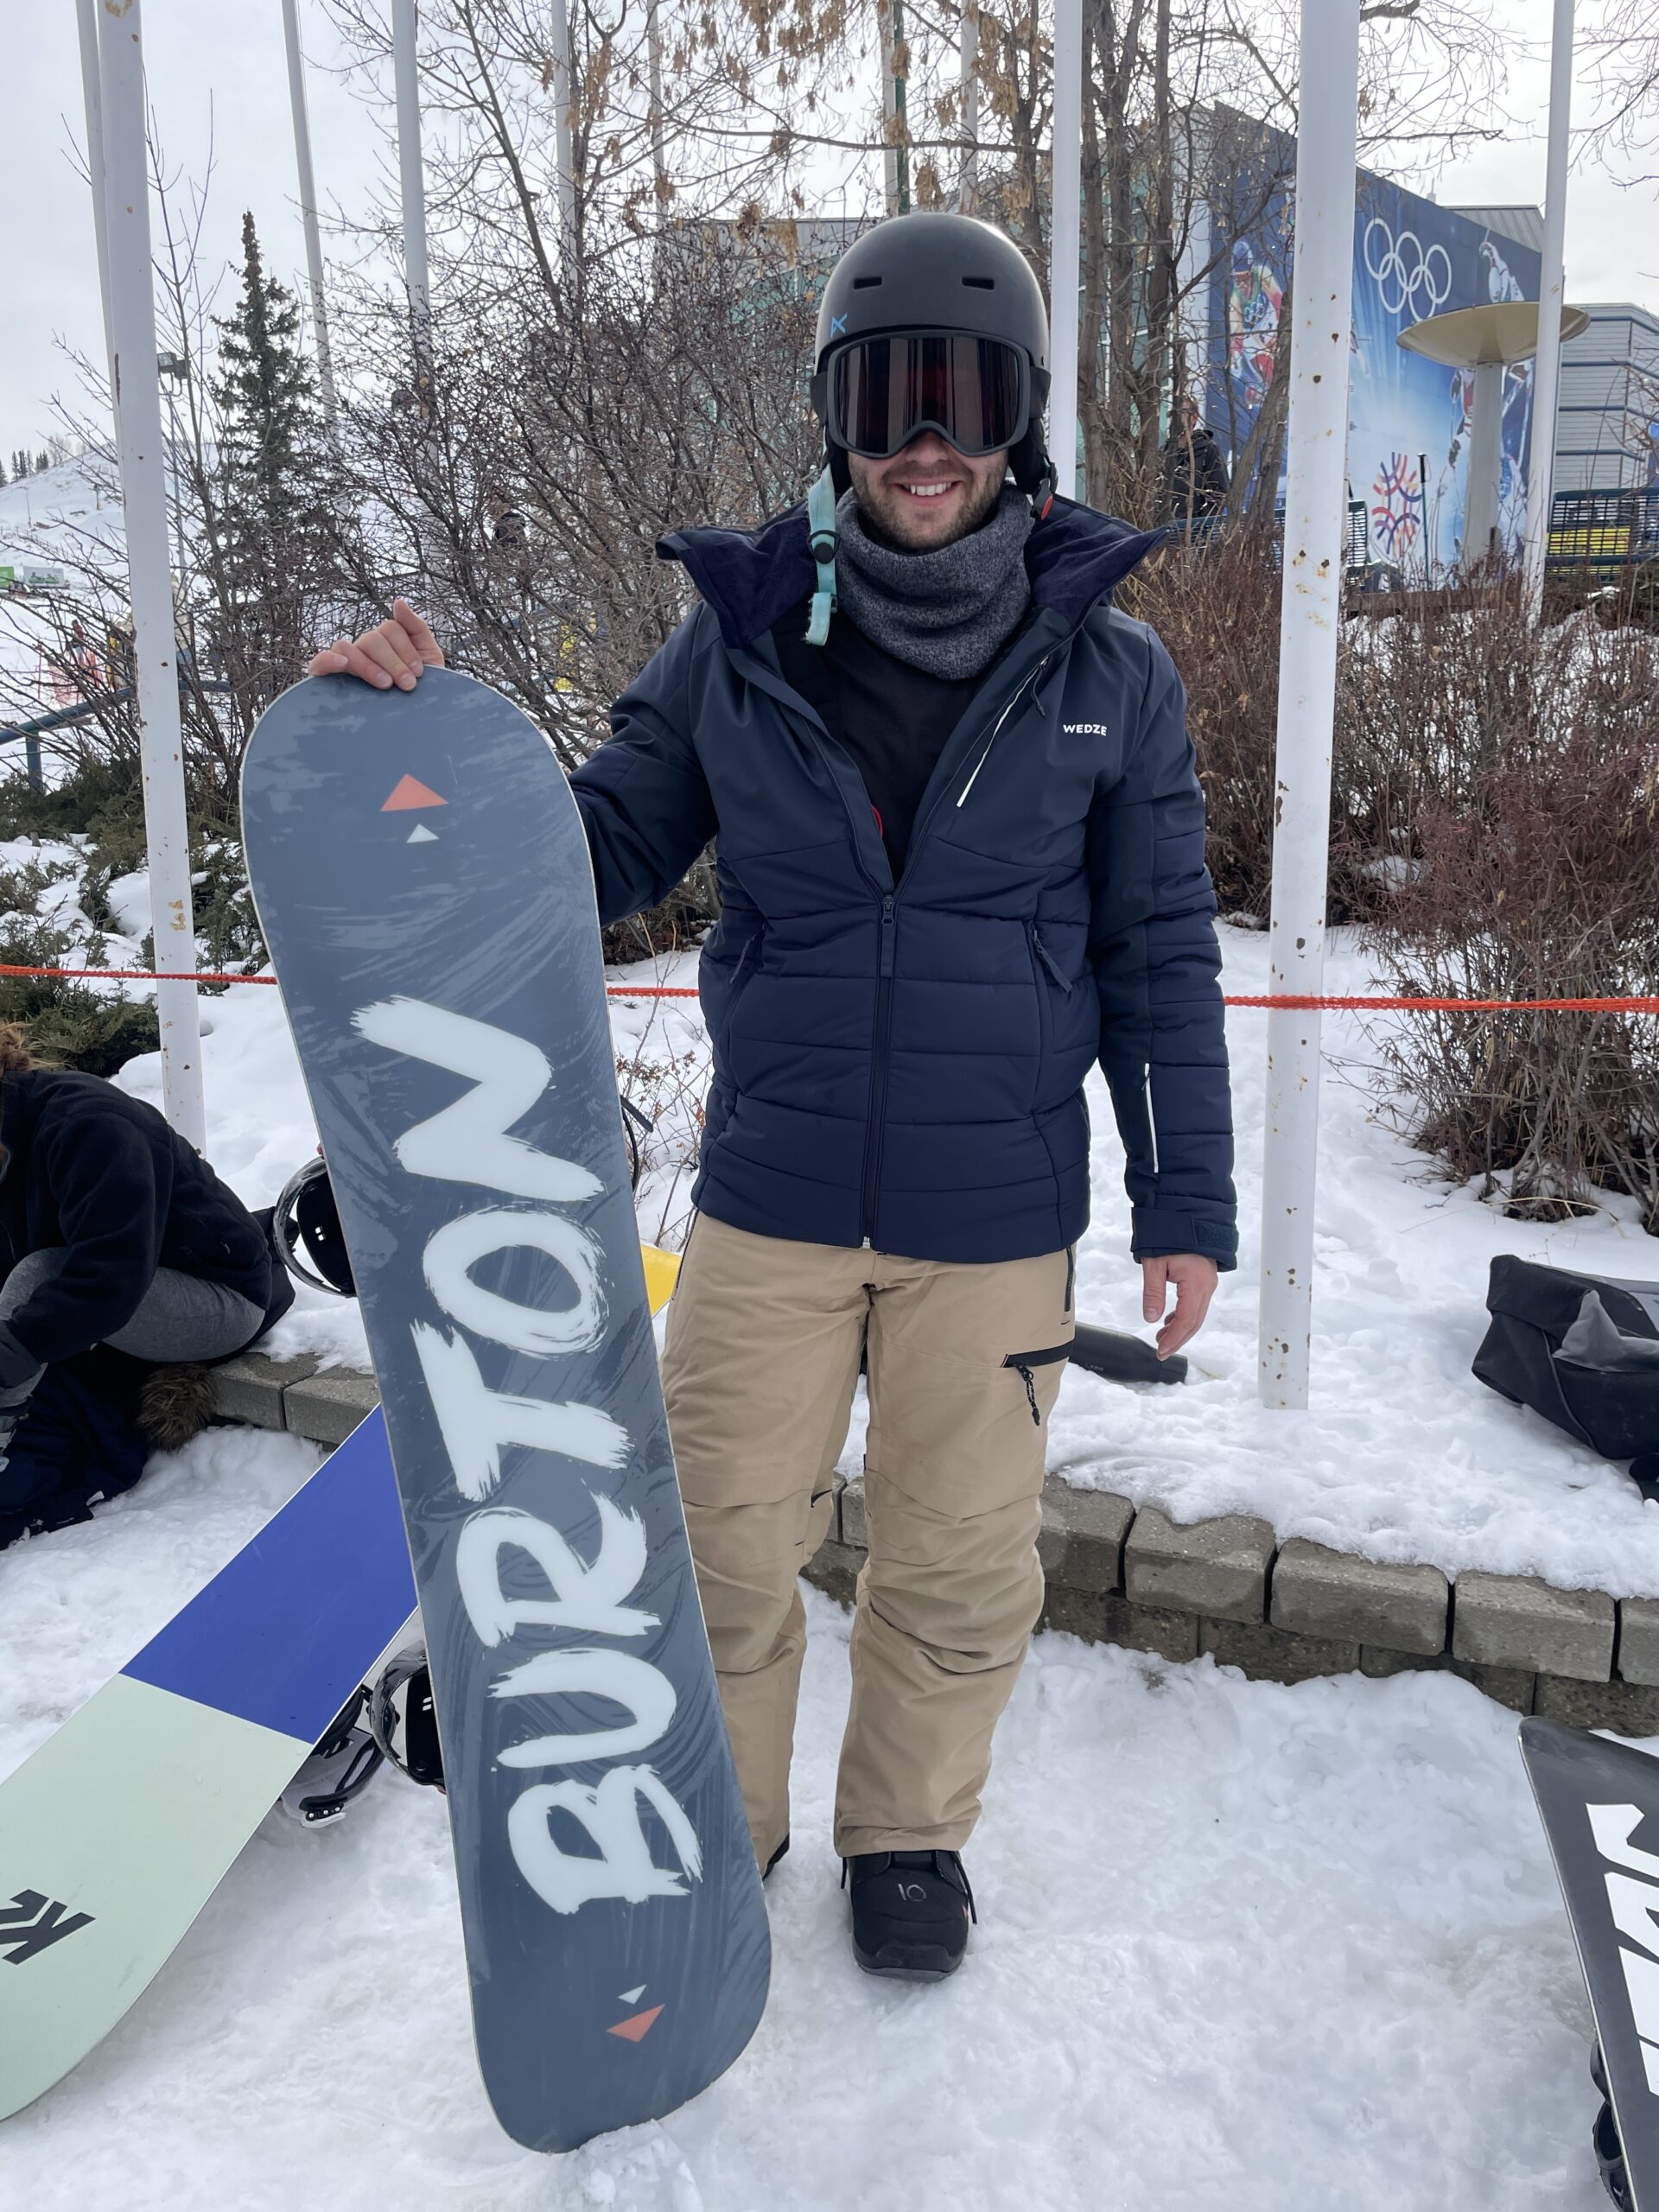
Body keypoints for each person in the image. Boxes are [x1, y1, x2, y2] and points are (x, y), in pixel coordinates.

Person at [308, 212, 1236, 1984]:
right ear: (836, 418)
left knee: (962, 1572)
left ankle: (908, 1837)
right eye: (888, 395)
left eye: (963, 394)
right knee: (718, 1553)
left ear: (1020, 413)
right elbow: (585, 854)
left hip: (998, 1217)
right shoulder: (737, 638)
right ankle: (717, 1831)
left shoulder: (1110, 671)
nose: (926, 439)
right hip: (774, 1200)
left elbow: (1160, 951)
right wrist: (411, 747)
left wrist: (1186, 1194)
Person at [0, 1027, 294, 1533]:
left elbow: (110, 1273)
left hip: (221, 1298)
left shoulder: (86, 1121)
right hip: (126, 1301)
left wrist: (15, 1351)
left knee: (36, 1276)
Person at [1160, 397, 1230, 524]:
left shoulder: (1207, 450)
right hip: (1162, 532)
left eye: (1181, 412)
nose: (1175, 418)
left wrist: (1199, 526)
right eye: (1172, 414)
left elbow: (1219, 493)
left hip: (1192, 535)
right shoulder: (1163, 454)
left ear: (1194, 417)